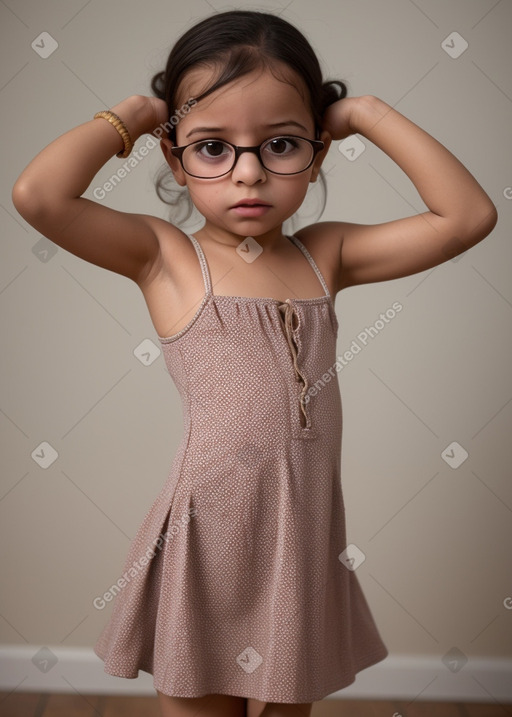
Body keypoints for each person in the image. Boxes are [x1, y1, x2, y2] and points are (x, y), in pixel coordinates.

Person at [12, 9, 497, 717]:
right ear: (175, 159)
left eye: (279, 144)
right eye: (212, 147)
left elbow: (467, 216)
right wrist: (139, 112)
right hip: (211, 537)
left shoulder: (324, 254)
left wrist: (366, 113)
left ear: (318, 151)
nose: (248, 172)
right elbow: (39, 196)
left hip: (299, 534)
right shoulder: (166, 257)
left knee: (287, 706)